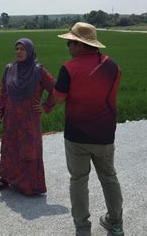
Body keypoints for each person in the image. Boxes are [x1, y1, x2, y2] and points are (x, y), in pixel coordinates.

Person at [54, 22, 123, 236]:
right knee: (109, 176)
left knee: (78, 180)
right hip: (105, 134)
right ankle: (116, 222)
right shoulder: (113, 67)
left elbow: (58, 98)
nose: (68, 47)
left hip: (76, 136)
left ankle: (82, 229)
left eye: (70, 43)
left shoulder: (68, 68)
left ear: (80, 44)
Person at [0, 38, 56, 195]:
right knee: (9, 149)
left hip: (29, 119)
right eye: (17, 49)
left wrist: (46, 106)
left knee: (29, 151)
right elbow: (3, 93)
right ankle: (6, 178)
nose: (19, 52)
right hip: (12, 119)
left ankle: (30, 185)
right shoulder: (9, 69)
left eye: (23, 49)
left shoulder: (38, 70)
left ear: (30, 51)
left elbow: (55, 88)